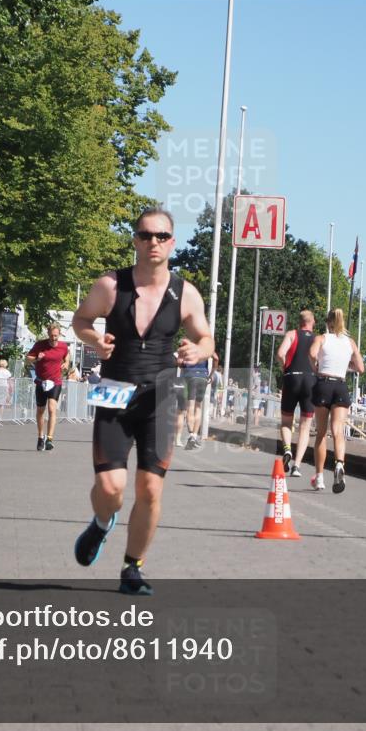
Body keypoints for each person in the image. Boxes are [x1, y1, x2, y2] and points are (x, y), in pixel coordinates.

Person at [71, 207, 214, 596]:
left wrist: (199, 353)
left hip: (162, 399)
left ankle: (132, 568)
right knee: (111, 488)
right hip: (115, 391)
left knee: (150, 490)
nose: (154, 242)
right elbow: (80, 320)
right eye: (146, 235)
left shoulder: (185, 293)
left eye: (162, 236)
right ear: (135, 240)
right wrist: (93, 340)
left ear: (172, 243)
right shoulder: (110, 286)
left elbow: (207, 338)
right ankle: (101, 523)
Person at [308, 309, 365, 493]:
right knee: (338, 431)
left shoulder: (322, 338)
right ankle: (339, 464)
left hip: (324, 383)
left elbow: (312, 353)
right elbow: (360, 368)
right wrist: (346, 364)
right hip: (340, 385)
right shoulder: (350, 342)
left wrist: (316, 367)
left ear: (328, 323)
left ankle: (319, 477)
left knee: (321, 433)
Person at [275, 310, 316, 477]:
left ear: (300, 322)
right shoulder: (318, 339)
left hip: (292, 378)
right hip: (310, 380)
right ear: (312, 322)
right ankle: (297, 466)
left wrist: (286, 367)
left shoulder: (292, 334)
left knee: (286, 420)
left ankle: (287, 450)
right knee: (305, 426)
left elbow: (280, 353)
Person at [26, 324, 70, 451]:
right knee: (40, 411)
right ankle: (40, 437)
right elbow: (28, 358)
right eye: (51, 335)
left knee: (52, 409)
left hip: (55, 381)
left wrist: (66, 363)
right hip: (41, 382)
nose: (54, 338)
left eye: (56, 335)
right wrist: (36, 358)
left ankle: (49, 438)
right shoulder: (40, 345)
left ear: (59, 334)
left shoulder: (63, 346)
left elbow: (66, 355)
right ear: (48, 333)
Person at [181, 351, 216, 449]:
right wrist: (212, 373)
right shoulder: (205, 345)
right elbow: (216, 358)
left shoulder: (188, 345)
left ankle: (191, 434)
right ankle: (194, 436)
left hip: (190, 376)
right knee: (198, 407)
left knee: (190, 407)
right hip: (203, 377)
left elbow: (180, 362)